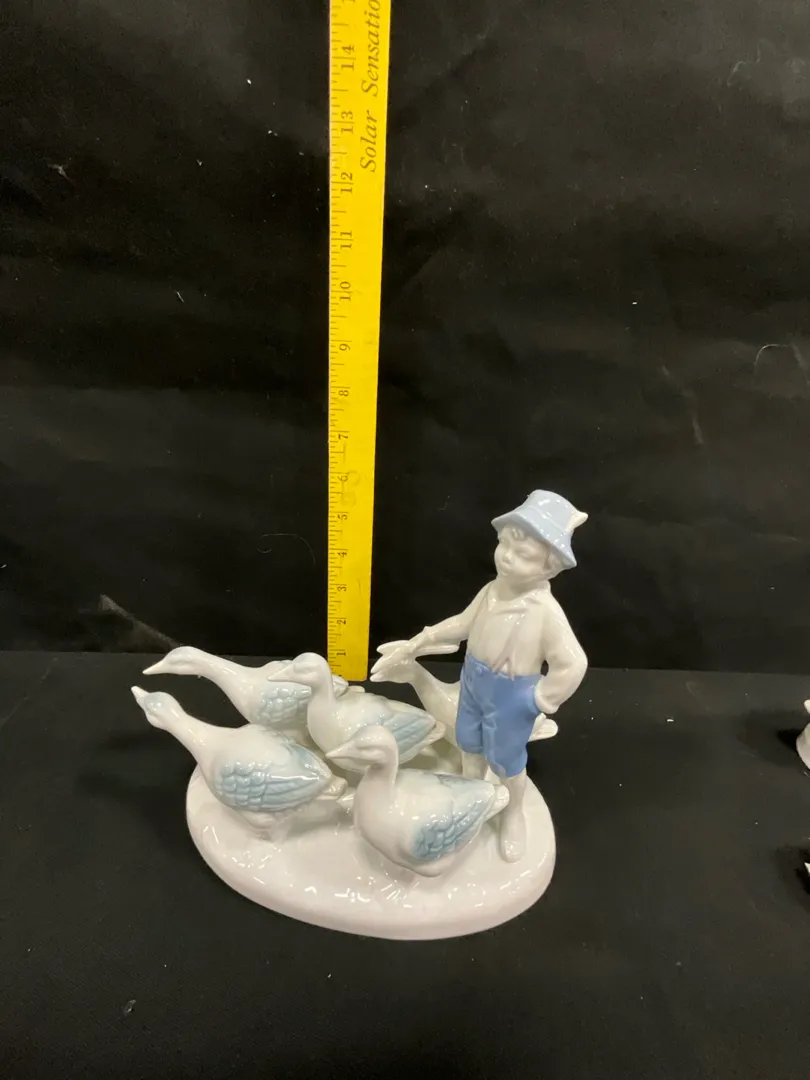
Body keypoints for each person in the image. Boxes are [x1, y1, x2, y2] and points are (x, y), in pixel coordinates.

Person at [371, 490, 588, 862]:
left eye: (523, 555)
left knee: (506, 760)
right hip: (472, 683)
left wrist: (538, 700)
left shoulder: (545, 612)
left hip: (511, 697)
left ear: (549, 567)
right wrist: (423, 640)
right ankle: (471, 797)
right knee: (469, 745)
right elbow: (462, 624)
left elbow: (573, 663)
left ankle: (513, 813)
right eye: (504, 545)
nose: (507, 557)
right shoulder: (492, 591)